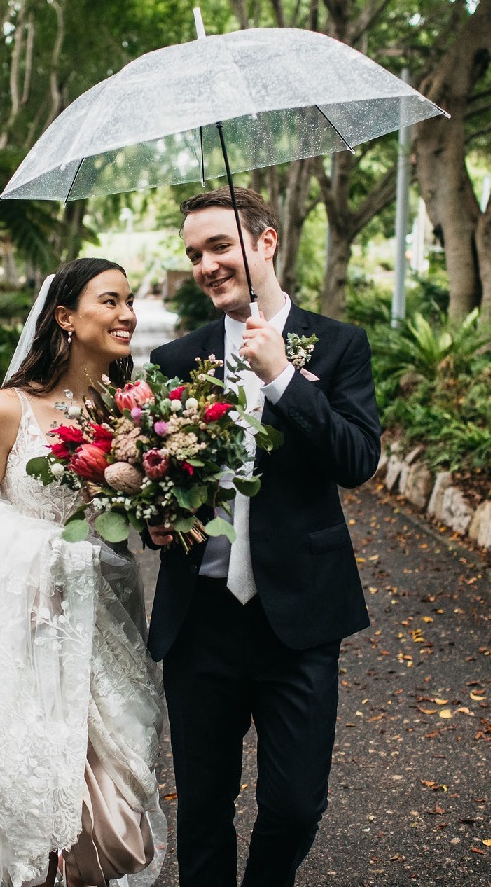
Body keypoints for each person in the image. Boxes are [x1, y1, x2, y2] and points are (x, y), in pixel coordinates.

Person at [0, 257, 167, 887]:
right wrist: (48, 553)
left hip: (105, 615)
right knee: (41, 785)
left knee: (118, 795)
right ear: (65, 318)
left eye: (129, 301)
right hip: (28, 627)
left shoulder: (133, 412)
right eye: (109, 301)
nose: (127, 314)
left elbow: (131, 514)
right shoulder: (7, 409)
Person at [146, 187, 380, 887]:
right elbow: (160, 476)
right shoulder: (175, 361)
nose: (208, 264)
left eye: (220, 246)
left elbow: (356, 461)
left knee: (295, 807)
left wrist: (282, 376)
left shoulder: (339, 346)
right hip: (203, 620)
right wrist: (159, 517)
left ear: (266, 242)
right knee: (204, 810)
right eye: (195, 254)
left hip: (300, 619)